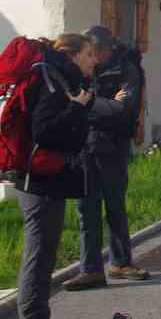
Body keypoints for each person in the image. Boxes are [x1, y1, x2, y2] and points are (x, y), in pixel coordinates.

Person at [14, 34, 96, 319]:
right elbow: (44, 131)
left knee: (45, 255)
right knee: (38, 257)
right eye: (89, 54)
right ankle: (33, 315)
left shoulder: (62, 80)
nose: (94, 60)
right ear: (72, 55)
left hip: (49, 180)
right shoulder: (52, 82)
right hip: (39, 182)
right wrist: (76, 107)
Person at [63, 26, 149, 291]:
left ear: (104, 50)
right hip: (84, 147)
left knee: (115, 207)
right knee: (86, 210)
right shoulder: (80, 70)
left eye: (93, 52)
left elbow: (125, 111)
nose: (90, 57)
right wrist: (105, 104)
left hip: (113, 147)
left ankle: (121, 263)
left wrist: (90, 104)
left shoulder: (127, 71)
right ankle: (90, 270)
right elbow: (71, 105)